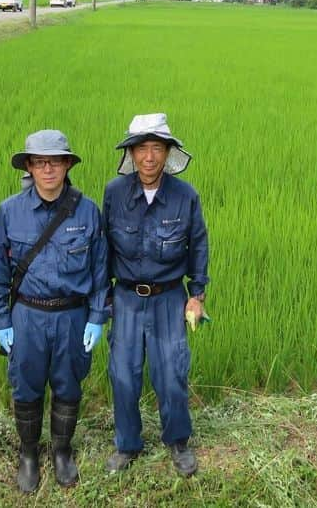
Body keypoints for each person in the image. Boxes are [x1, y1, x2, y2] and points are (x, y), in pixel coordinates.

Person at [0, 130, 109, 493]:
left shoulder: (87, 211)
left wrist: (97, 316)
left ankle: (62, 452)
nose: (48, 169)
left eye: (55, 161)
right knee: (26, 387)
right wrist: (2, 320)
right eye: (40, 162)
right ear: (29, 166)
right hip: (28, 316)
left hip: (72, 316)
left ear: (67, 164)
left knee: (68, 385)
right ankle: (27, 454)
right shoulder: (9, 212)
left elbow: (101, 270)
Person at [102, 113, 209, 477]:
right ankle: (127, 444)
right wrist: (103, 297)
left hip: (169, 298)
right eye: (141, 148)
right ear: (131, 153)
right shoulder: (114, 193)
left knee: (171, 374)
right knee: (122, 374)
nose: (149, 157)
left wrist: (198, 295)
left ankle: (178, 442)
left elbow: (198, 245)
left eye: (157, 148)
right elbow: (103, 249)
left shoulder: (185, 196)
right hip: (127, 298)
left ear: (168, 153)